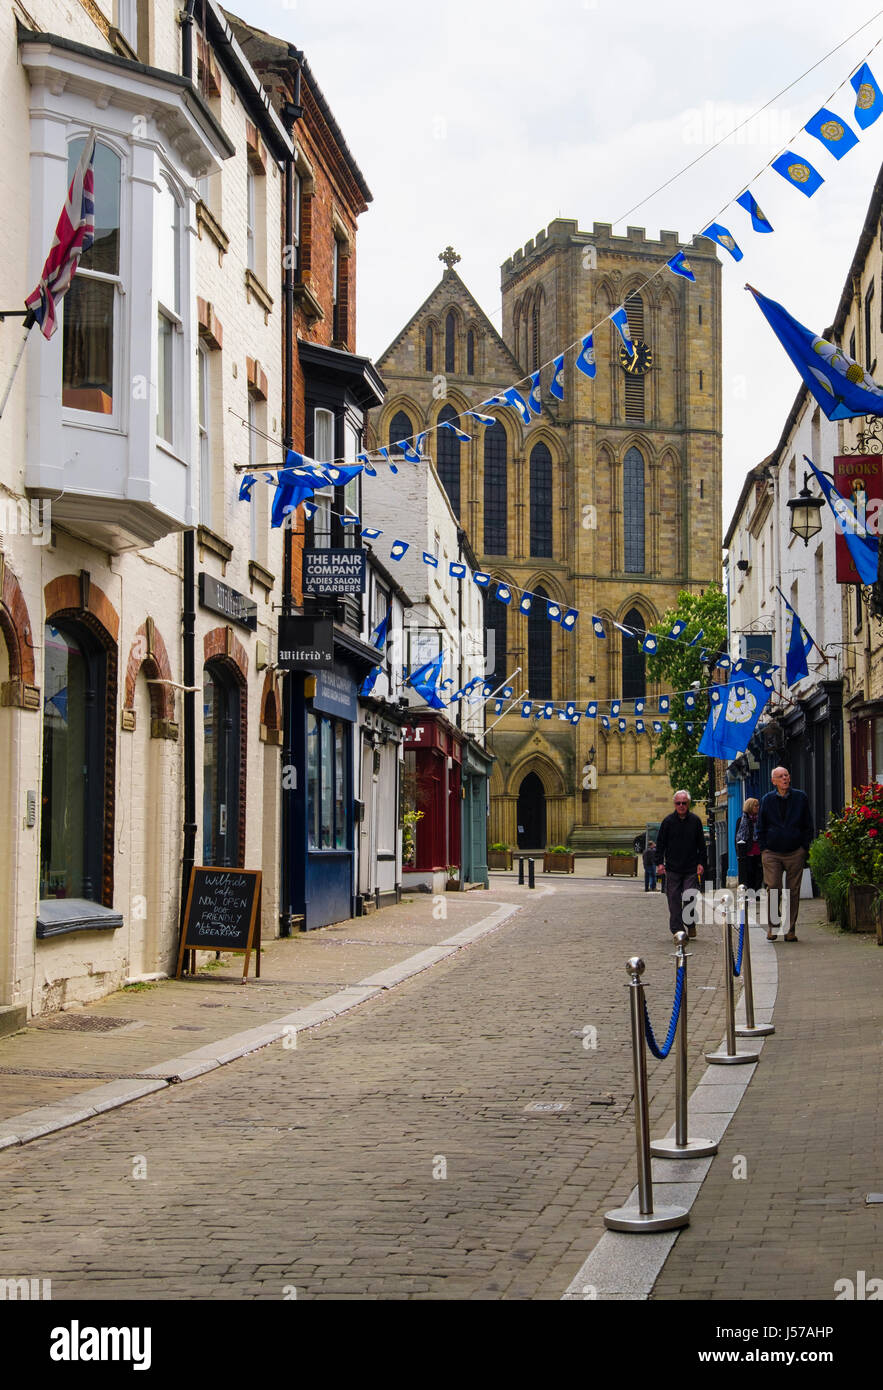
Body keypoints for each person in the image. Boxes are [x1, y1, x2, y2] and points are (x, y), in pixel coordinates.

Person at [756, 766, 813, 942]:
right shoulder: (767, 800)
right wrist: (764, 847)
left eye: (786, 775)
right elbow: (761, 825)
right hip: (772, 852)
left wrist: (804, 846)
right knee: (773, 887)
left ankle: (790, 929)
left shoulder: (800, 797)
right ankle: (773, 926)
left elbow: (807, 824)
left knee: (792, 891)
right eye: (780, 776)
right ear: (773, 781)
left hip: (795, 851)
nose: (784, 779)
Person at [656, 791, 707, 938]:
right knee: (673, 899)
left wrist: (701, 863)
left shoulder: (695, 821)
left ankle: (690, 922)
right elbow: (660, 844)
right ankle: (678, 930)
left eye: (684, 803)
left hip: (691, 867)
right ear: (674, 804)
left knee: (689, 897)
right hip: (672, 868)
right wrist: (659, 863)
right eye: (678, 803)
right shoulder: (667, 822)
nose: (681, 806)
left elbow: (701, 845)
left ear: (688, 804)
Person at [735, 797, 763, 892]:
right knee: (749, 872)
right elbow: (738, 837)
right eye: (756, 805)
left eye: (758, 805)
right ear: (750, 806)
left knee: (759, 872)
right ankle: (750, 891)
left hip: (759, 849)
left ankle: (757, 890)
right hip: (747, 850)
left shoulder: (760, 820)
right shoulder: (742, 820)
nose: (758, 807)